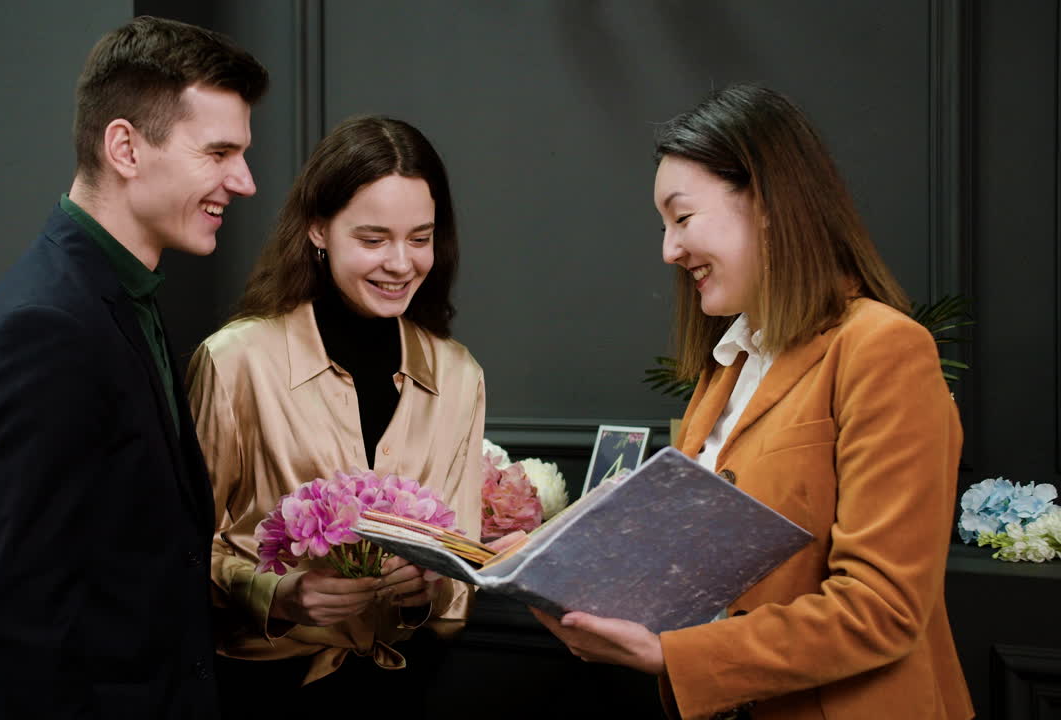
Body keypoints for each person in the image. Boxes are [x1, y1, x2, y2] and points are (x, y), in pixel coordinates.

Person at [532, 84, 974, 720]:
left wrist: (676, 657)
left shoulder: (884, 348)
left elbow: (882, 609)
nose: (669, 250)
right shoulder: (726, 370)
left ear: (765, 203)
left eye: (682, 218)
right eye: (663, 226)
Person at [0, 17, 267, 719]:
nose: (243, 181)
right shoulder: (47, 327)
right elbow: (18, 632)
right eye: (218, 152)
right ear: (124, 146)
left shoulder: (120, 294)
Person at [186, 115, 485, 717]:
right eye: (373, 239)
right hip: (263, 692)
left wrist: (428, 588)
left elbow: (462, 574)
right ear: (318, 229)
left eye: (420, 238)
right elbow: (177, 551)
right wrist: (279, 594)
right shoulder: (235, 361)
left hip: (410, 686)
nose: (402, 263)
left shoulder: (459, 375)